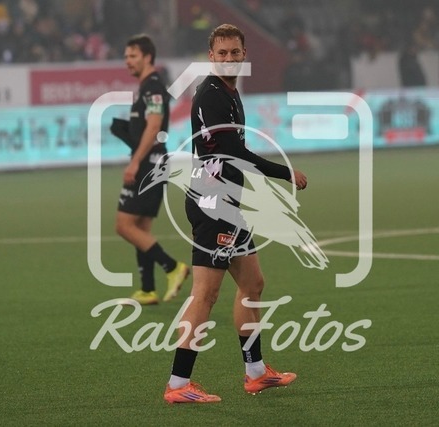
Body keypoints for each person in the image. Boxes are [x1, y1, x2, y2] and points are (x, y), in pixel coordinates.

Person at [163, 24, 308, 404]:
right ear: (211, 56)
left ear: (244, 55)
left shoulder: (228, 91)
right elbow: (234, 153)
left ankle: (256, 373)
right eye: (222, 53)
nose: (229, 58)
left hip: (226, 205)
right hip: (213, 205)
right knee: (205, 294)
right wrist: (285, 173)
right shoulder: (211, 95)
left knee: (253, 284)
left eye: (235, 52)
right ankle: (178, 384)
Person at [110, 34, 189, 305]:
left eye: (132, 56)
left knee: (124, 225)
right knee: (140, 227)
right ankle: (147, 290)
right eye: (125, 57)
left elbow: (154, 126)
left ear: (148, 57)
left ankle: (173, 267)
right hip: (154, 162)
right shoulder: (147, 87)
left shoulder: (153, 87)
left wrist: (135, 162)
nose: (127, 61)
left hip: (149, 163)